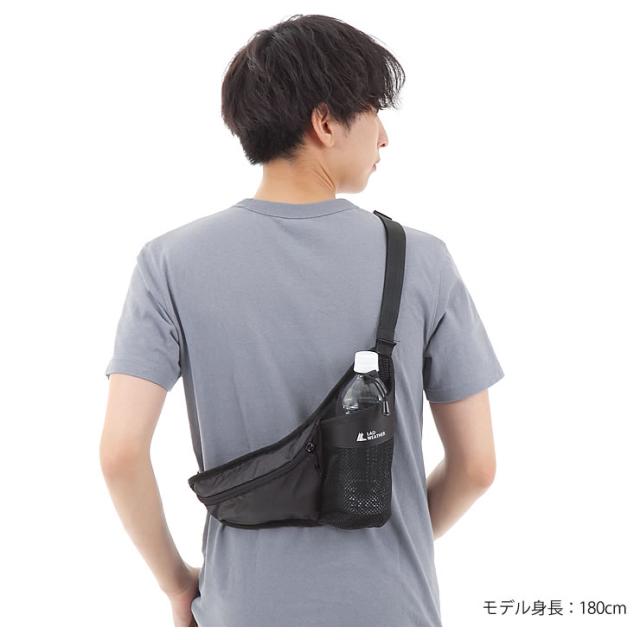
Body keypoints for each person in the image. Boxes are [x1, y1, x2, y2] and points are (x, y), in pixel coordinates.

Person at [100, 13, 504, 627]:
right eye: (373, 111)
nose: (384, 137)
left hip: (242, 610)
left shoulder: (169, 262)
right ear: (325, 122)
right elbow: (477, 466)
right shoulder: (422, 260)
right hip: (393, 610)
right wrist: (398, 543)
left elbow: (120, 452)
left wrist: (178, 583)